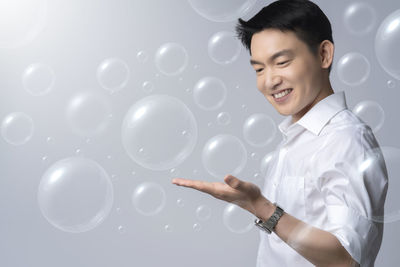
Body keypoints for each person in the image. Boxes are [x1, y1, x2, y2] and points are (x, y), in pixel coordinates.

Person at [172, 0, 388, 266]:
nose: (269, 81)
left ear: (324, 55)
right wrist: (256, 206)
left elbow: (346, 259)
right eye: (259, 69)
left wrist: (261, 207)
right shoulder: (296, 141)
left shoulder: (345, 140)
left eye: (282, 62)